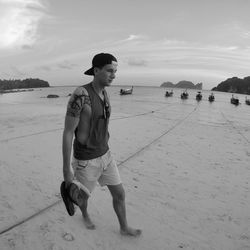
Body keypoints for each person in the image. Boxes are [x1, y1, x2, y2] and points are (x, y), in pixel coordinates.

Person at [60, 53, 141, 237]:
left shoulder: (105, 93)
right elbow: (67, 132)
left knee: (120, 194)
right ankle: (85, 214)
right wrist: (66, 169)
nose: (113, 75)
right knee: (83, 198)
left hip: (106, 155)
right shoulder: (81, 94)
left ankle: (124, 227)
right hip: (86, 160)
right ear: (96, 71)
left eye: (115, 71)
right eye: (109, 71)